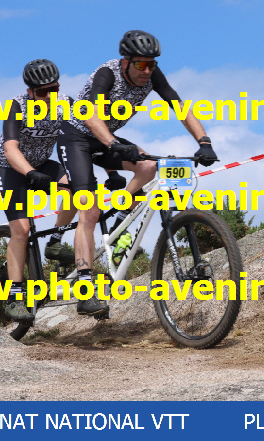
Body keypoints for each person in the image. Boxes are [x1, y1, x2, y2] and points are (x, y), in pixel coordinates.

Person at [57, 30, 218, 316]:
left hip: (106, 138)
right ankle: (84, 289)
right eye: (141, 64)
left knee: (148, 166)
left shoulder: (152, 75)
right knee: (89, 211)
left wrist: (204, 142)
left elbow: (180, 107)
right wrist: (113, 144)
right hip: (76, 138)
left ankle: (119, 225)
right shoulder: (107, 74)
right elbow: (91, 116)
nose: (147, 71)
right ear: (125, 62)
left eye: (151, 64)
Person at [0, 59, 78, 321]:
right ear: (30, 92)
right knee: (21, 230)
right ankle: (14, 297)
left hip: (41, 164)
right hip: (10, 169)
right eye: (42, 92)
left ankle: (55, 243)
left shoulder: (66, 104)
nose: (49, 96)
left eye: (54, 89)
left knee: (76, 188)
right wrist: (29, 173)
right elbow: (10, 149)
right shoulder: (17, 106)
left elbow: (82, 135)